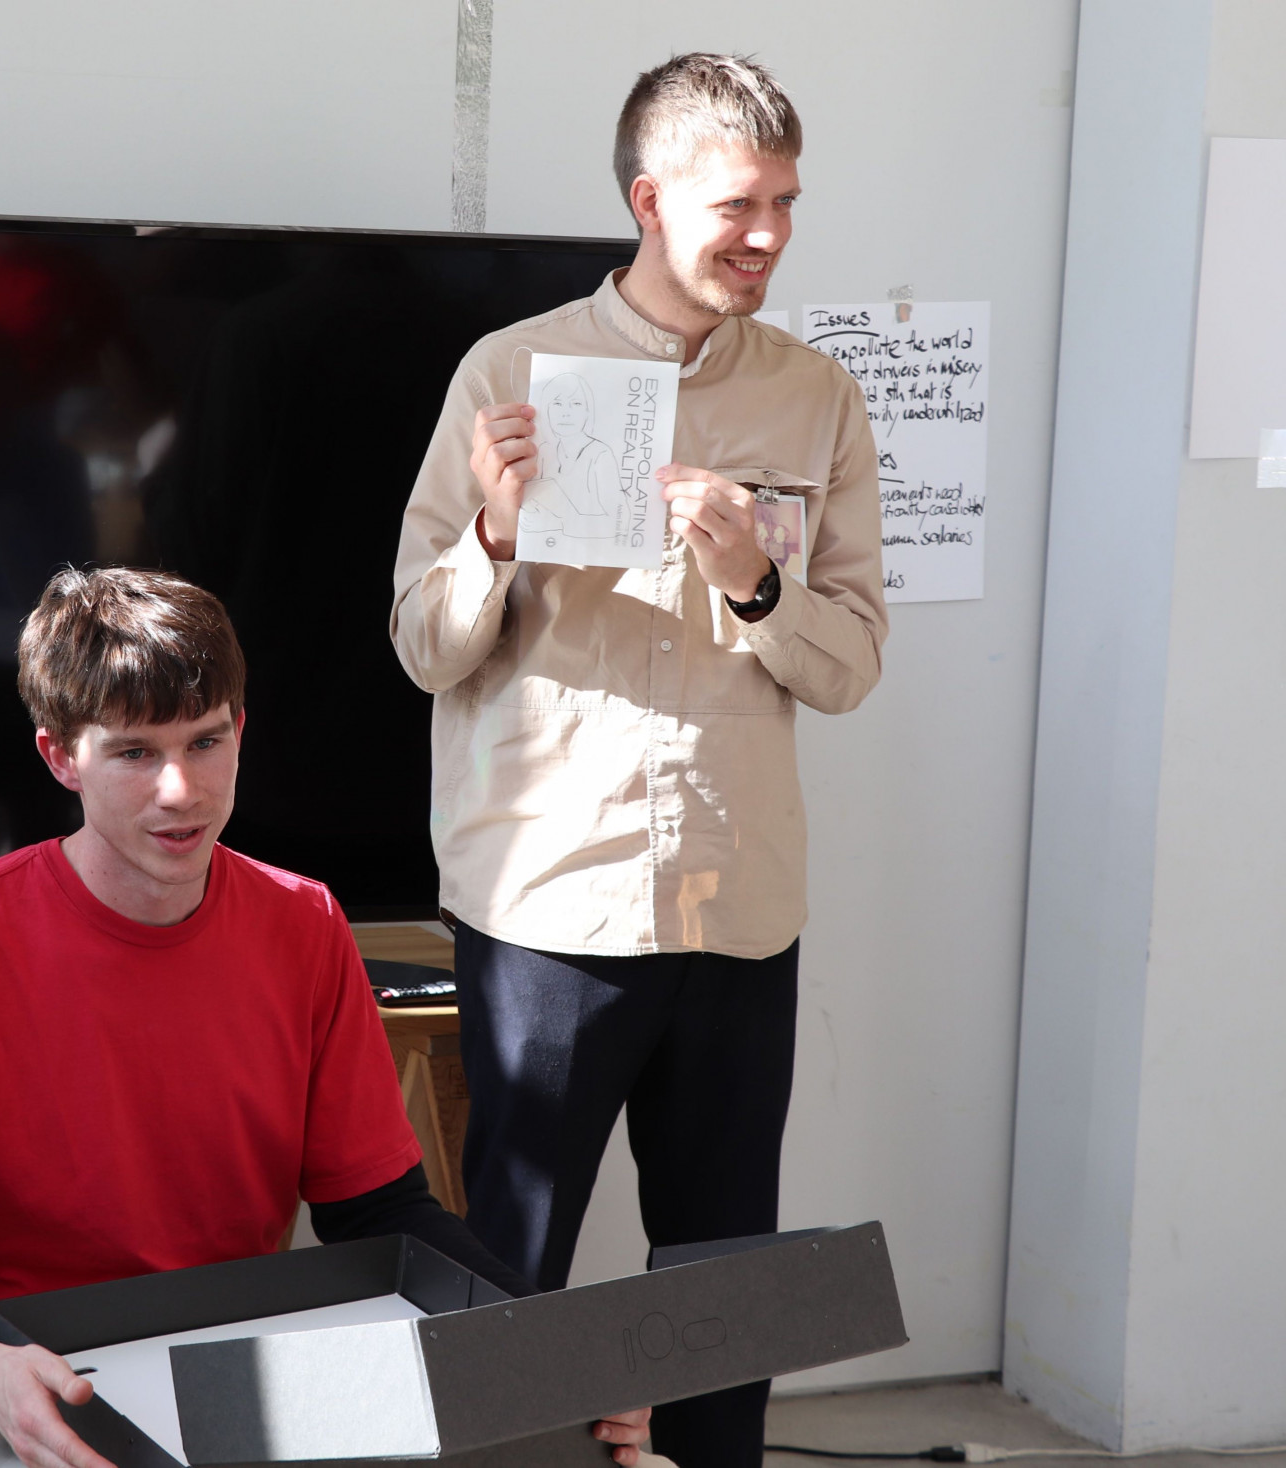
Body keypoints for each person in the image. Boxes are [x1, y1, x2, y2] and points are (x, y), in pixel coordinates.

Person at [0, 566, 660, 1468]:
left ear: (241, 732)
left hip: (258, 1385)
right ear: (60, 757)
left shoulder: (305, 922)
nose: (181, 789)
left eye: (205, 742)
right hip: (33, 1404)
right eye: (135, 753)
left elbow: (381, 1212)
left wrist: (559, 1348)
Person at [390, 53, 888, 1468]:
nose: (770, 234)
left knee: (728, 1278)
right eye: (739, 205)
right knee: (508, 1276)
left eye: (786, 204)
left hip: (739, 905)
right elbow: (422, 645)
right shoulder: (508, 374)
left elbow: (850, 665)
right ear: (648, 198)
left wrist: (755, 582)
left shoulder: (818, 399)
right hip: (549, 903)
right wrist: (492, 536)